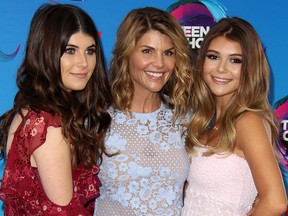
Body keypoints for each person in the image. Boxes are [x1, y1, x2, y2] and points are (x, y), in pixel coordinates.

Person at [0, 4, 111, 215]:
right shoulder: (48, 124)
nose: (83, 63)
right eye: (70, 50)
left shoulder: (33, 112)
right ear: (46, 52)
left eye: (90, 51)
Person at [182, 17, 287, 215]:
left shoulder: (248, 121)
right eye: (213, 57)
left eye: (235, 60)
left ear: (250, 68)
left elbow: (275, 202)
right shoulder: (207, 122)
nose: (221, 69)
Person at [94, 7, 193, 216]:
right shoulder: (96, 118)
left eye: (168, 53)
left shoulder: (185, 118)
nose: (159, 63)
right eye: (147, 51)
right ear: (127, 53)